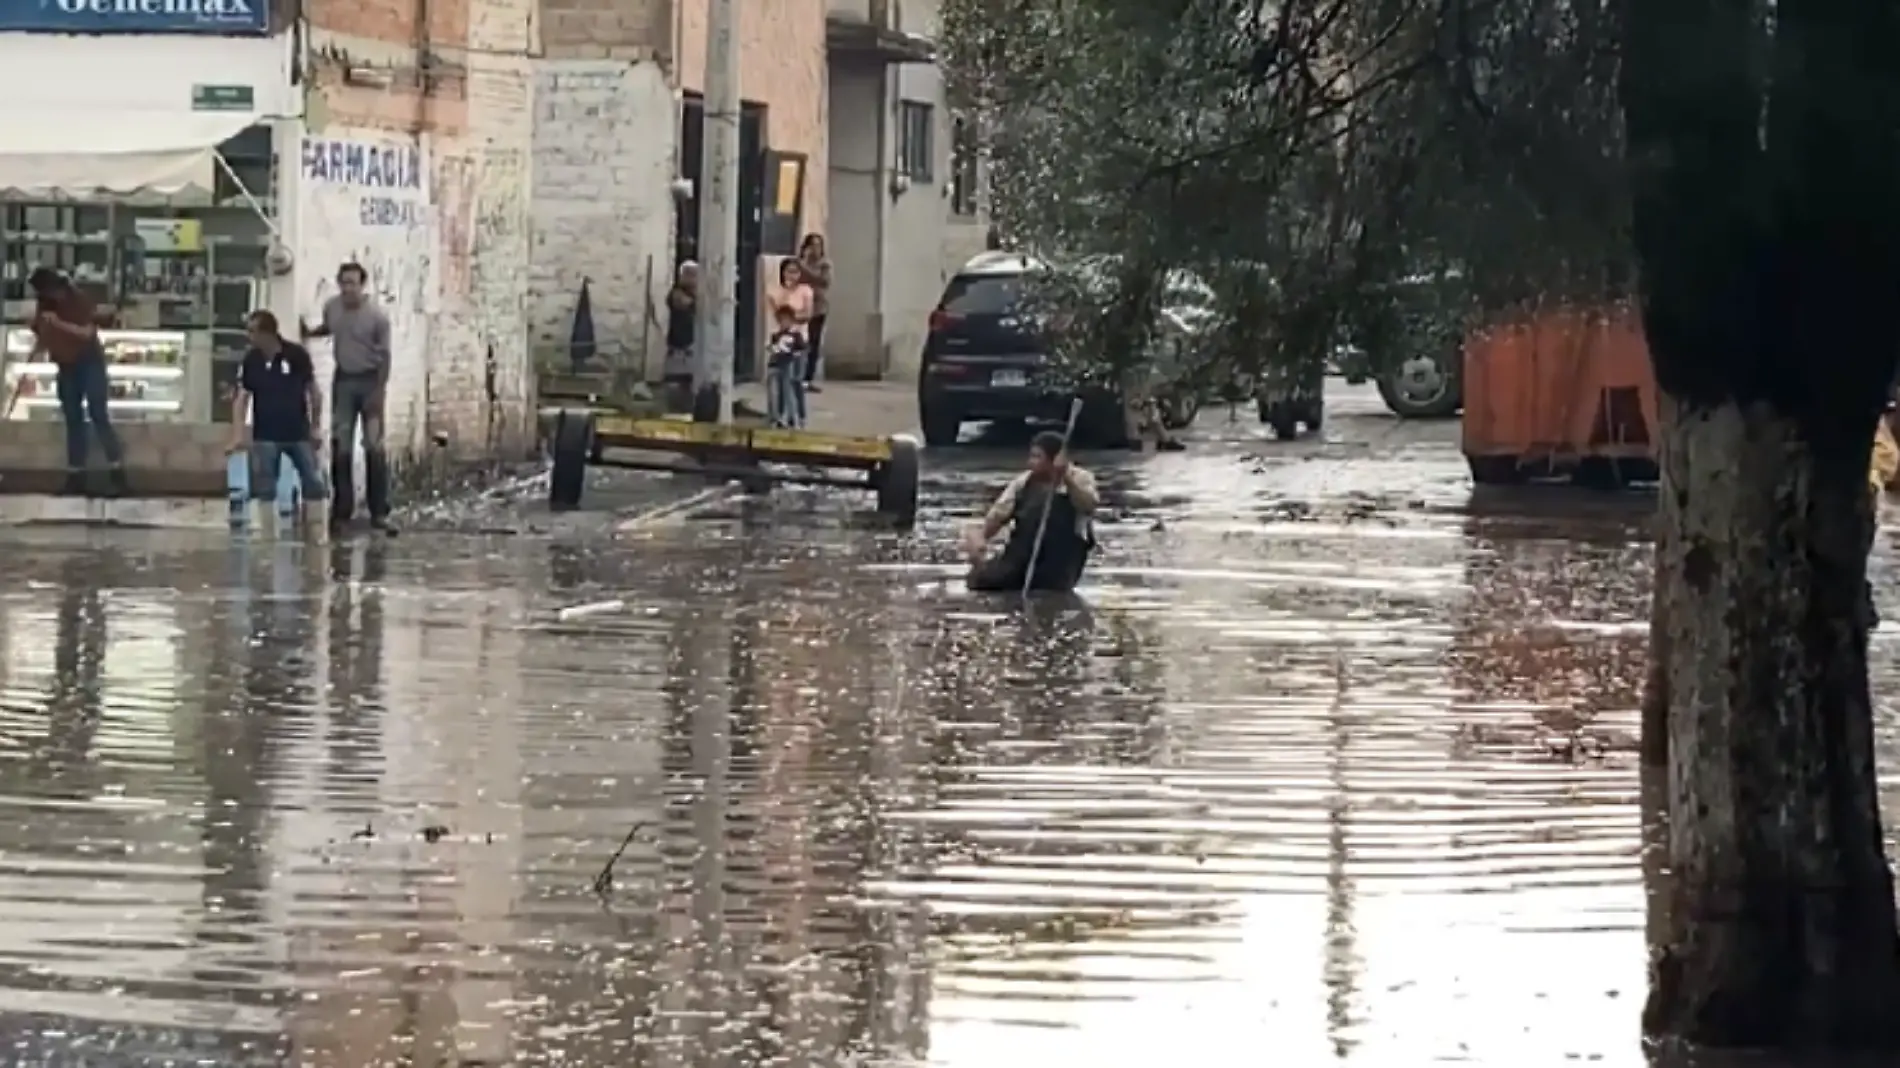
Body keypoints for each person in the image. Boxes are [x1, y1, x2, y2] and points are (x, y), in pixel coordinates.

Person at [301, 262, 396, 535]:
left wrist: (379, 392)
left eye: (353, 283)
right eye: (344, 283)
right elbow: (330, 328)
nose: (348, 289)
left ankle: (379, 511)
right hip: (344, 380)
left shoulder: (377, 317)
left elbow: (385, 357)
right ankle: (342, 510)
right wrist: (309, 332)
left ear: (362, 285)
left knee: (374, 447)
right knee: (341, 444)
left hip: (370, 381)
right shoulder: (333, 307)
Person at [27, 268, 127, 496]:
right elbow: (40, 329)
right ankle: (75, 476)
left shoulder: (78, 299)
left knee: (98, 414)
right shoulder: (45, 304)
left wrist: (58, 324)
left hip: (89, 362)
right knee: (73, 419)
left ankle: (117, 474)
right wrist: (41, 339)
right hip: (65, 366)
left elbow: (87, 334)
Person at [963, 430, 1100, 592]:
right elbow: (998, 516)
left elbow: (1089, 505)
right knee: (982, 583)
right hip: (1022, 555)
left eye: (1037, 457)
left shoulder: (1080, 478)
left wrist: (1065, 478)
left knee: (1050, 593)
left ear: (1054, 459)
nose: (1030, 462)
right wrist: (980, 540)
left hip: (1062, 560)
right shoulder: (1023, 482)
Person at [228, 310, 328, 508]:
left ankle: (315, 524)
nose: (249, 337)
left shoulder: (296, 355)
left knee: (313, 482)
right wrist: (238, 434)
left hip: (297, 431)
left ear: (267, 333)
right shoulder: (251, 360)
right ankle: (268, 530)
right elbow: (243, 397)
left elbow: (314, 392)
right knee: (265, 487)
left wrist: (315, 426)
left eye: (252, 331)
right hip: (265, 434)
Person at [765, 304, 809, 428]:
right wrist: (772, 350)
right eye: (782, 320)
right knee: (774, 392)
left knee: (788, 391)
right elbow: (772, 349)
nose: (784, 322)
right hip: (776, 365)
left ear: (792, 320)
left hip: (789, 366)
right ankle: (775, 417)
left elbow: (803, 350)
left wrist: (796, 356)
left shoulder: (796, 336)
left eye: (787, 319)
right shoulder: (776, 336)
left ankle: (791, 417)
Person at [797, 234, 831, 392]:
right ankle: (798, 375)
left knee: (814, 343)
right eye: (812, 245)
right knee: (800, 342)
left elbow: (824, 281)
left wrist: (806, 270)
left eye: (818, 245)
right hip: (801, 306)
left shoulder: (825, 264)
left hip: (818, 307)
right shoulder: (801, 263)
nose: (815, 249)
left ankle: (808, 378)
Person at [663, 261, 698, 414]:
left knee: (690, 389)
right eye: (689, 274)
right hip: (677, 349)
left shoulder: (696, 294)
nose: (693, 278)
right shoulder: (676, 294)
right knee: (675, 388)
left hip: (692, 349)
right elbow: (685, 303)